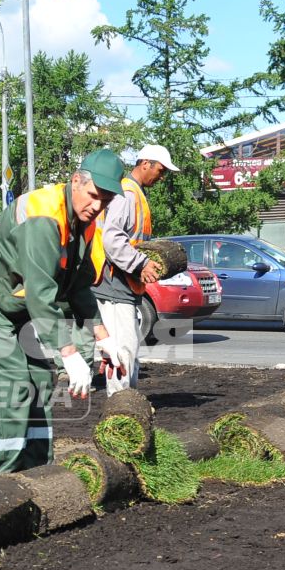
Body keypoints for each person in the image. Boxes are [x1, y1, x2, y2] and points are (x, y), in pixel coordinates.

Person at [0, 151, 132, 473]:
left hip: (14, 303)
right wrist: (69, 353)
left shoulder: (84, 222)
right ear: (76, 181)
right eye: (94, 196)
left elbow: (78, 287)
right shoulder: (44, 217)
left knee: (39, 378)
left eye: (105, 201)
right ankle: (6, 478)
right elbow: (41, 294)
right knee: (12, 383)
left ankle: (39, 469)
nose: (97, 206)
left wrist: (103, 336)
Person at [91, 145, 178, 393]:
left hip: (124, 282)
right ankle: (120, 406)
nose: (161, 177)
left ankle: (127, 401)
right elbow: (112, 239)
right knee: (123, 346)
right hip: (114, 282)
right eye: (160, 171)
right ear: (145, 163)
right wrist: (140, 263)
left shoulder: (135, 193)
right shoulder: (127, 193)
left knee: (129, 345)